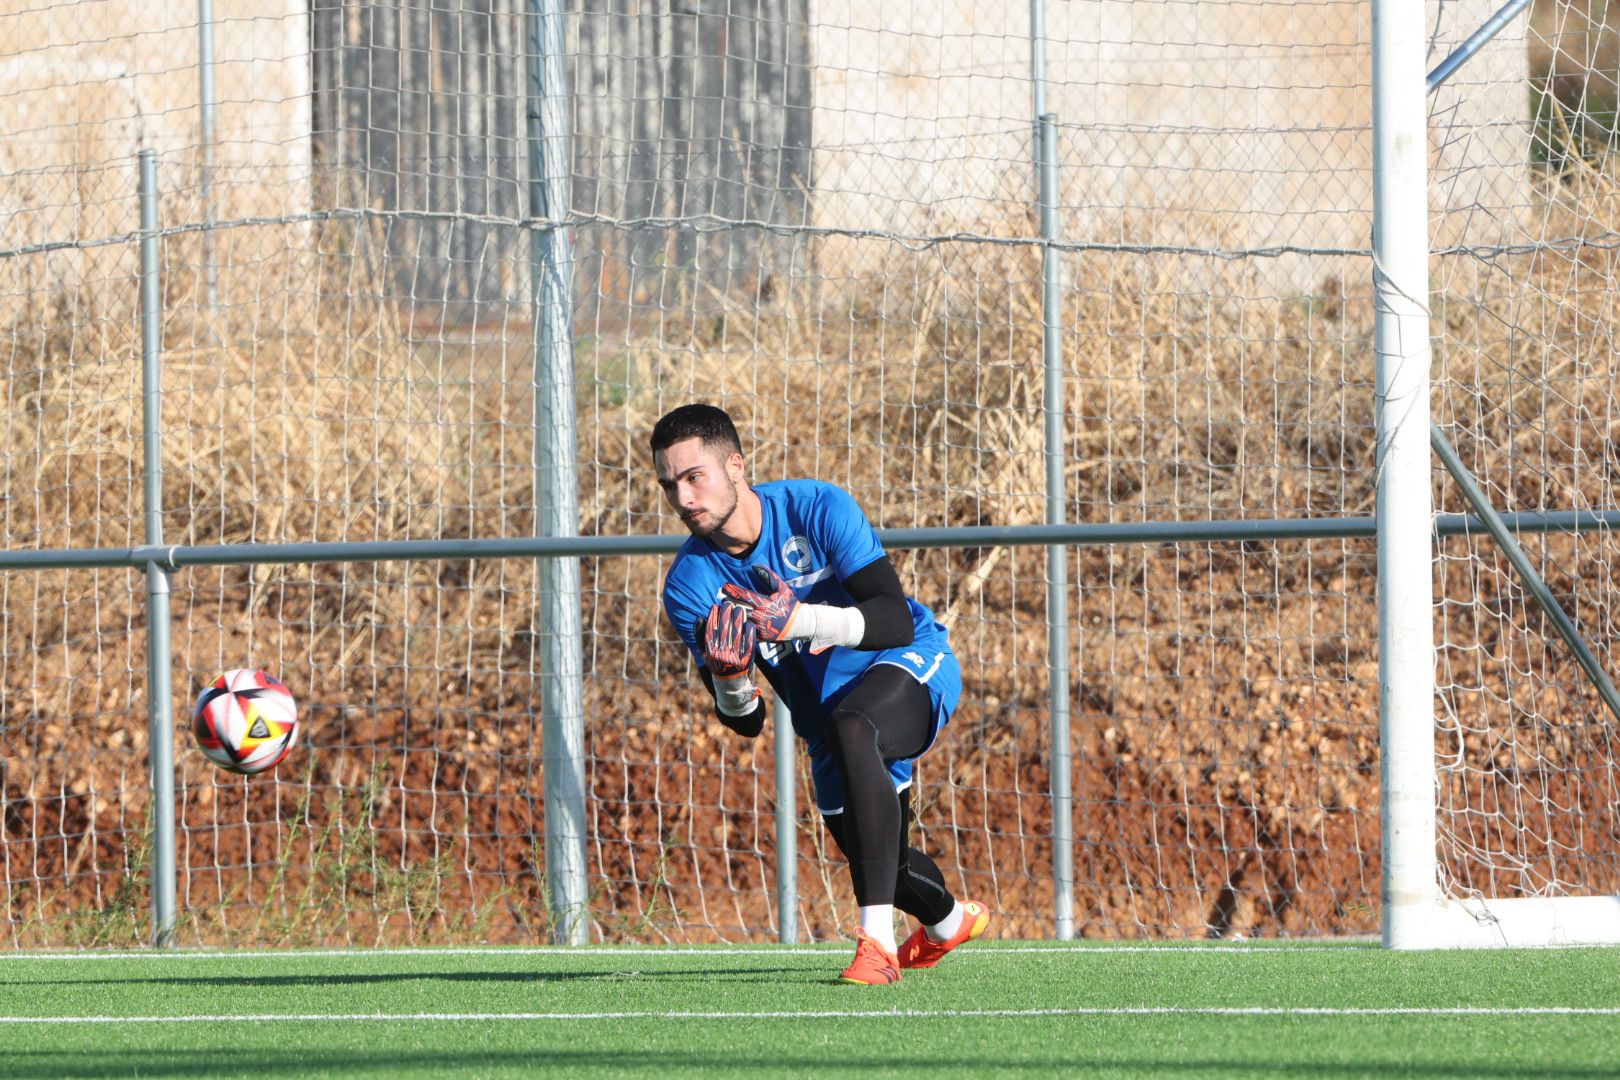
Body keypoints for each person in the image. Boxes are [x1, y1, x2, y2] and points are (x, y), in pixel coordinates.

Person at [651, 402, 989, 985]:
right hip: (826, 722)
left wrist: (799, 620)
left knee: (856, 724)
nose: (683, 499)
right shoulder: (689, 586)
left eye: (693, 477)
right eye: (669, 485)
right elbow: (746, 723)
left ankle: (875, 946)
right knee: (884, 861)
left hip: (904, 664)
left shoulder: (816, 507)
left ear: (735, 466)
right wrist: (731, 681)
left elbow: (891, 618)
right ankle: (949, 922)